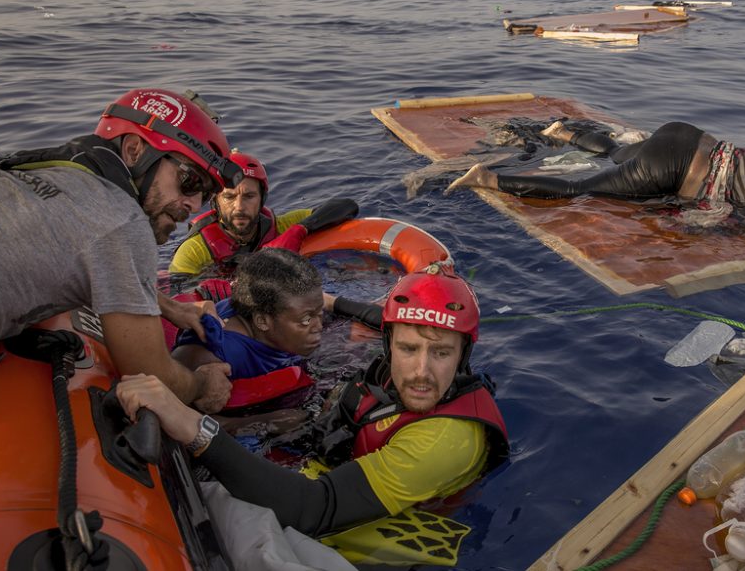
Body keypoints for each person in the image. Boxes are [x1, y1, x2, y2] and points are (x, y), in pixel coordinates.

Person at [116, 265, 509, 565]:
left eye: (441, 353)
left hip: (387, 526)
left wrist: (193, 426)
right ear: (389, 345)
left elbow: (313, 508)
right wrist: (334, 304)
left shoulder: (444, 440)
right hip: (340, 473)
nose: (421, 371)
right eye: (408, 349)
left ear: (463, 356)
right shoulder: (389, 373)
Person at [0, 88, 243, 411]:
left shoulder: (38, 168)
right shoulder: (122, 221)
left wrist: (169, 307)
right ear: (134, 150)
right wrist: (201, 384)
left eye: (205, 195)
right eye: (190, 182)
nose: (194, 205)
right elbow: (150, 375)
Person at [448, 120, 745, 310]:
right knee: (580, 190)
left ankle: (564, 132)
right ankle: (487, 178)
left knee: (619, 154)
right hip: (676, 169)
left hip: (686, 136)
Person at [172, 248, 325, 411]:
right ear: (262, 321)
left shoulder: (258, 304)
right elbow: (172, 410)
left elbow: (303, 303)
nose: (319, 326)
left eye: (320, 313)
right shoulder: (214, 356)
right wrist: (268, 421)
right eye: (306, 320)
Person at [168, 148, 358, 279]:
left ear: (262, 199)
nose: (239, 207)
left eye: (249, 196)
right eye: (229, 197)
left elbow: (347, 206)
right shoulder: (194, 250)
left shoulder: (282, 226)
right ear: (215, 202)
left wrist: (299, 230)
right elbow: (178, 298)